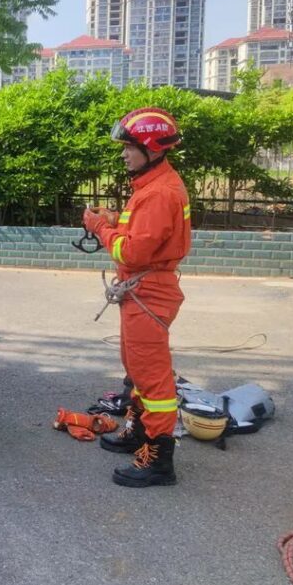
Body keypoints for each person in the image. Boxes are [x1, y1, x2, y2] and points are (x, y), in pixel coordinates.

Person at [83, 107, 191, 488]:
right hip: (142, 291)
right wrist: (114, 221)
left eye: (130, 147)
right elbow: (140, 235)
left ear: (151, 149)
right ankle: (139, 433)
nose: (124, 154)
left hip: (149, 291)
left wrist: (99, 228)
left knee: (152, 376)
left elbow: (132, 254)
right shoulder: (150, 187)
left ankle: (159, 459)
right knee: (137, 367)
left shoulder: (159, 193)